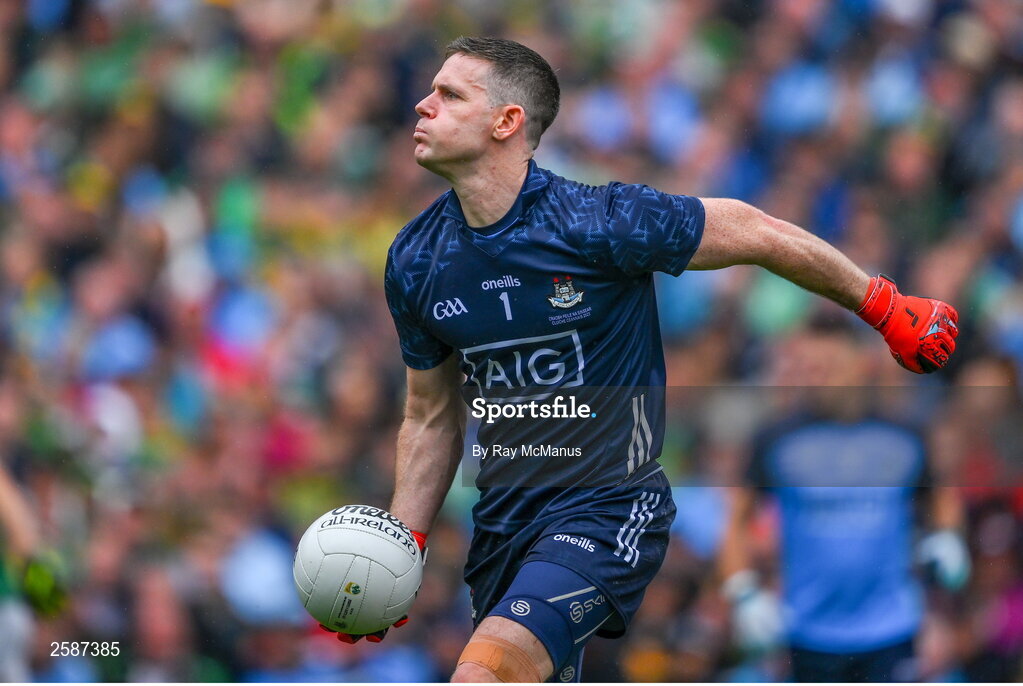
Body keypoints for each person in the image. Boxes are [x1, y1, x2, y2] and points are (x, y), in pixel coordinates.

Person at [321, 36, 959, 682]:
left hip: (606, 511)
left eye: (448, 94)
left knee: (481, 674)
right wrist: (400, 548)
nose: (421, 106)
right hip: (501, 529)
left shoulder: (597, 220)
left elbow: (756, 232)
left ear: (506, 122)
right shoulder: (414, 260)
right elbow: (431, 419)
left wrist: (882, 305)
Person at [717, 321, 970, 682]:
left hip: (892, 628)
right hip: (806, 631)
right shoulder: (777, 440)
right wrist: (743, 593)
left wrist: (949, 537)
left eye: (828, 367)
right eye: (808, 368)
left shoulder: (905, 436)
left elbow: (940, 497)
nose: (816, 378)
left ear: (863, 363)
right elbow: (736, 521)